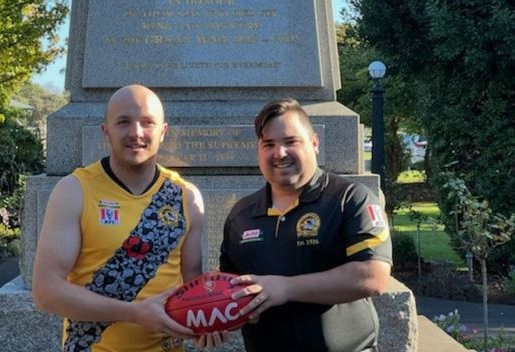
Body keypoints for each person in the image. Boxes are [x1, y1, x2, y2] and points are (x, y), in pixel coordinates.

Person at [33, 84, 216, 351]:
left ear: (163, 132)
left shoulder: (186, 197)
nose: (136, 133)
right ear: (105, 131)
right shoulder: (74, 191)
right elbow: (46, 293)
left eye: (147, 123)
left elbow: (191, 288)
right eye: (123, 122)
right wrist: (134, 313)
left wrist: (209, 321)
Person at [219, 98, 392, 352]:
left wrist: (286, 288)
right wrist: (213, 323)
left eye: (291, 141)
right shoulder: (241, 214)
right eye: (269, 144)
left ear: (314, 143)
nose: (279, 153)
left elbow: (373, 276)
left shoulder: (350, 198)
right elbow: (230, 292)